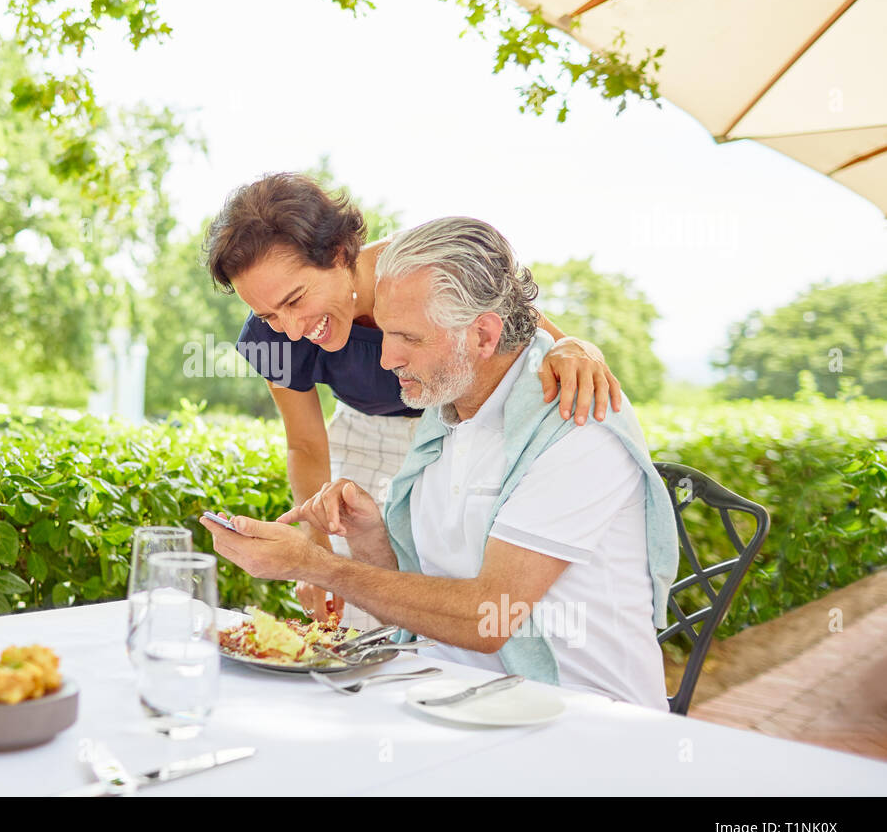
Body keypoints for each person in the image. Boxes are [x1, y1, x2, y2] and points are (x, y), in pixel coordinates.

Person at [202, 216, 678, 708]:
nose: (385, 360)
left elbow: (485, 617)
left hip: (580, 721)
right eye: (384, 334)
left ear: (482, 337)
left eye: (408, 338)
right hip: (465, 704)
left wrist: (314, 564)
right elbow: (423, 590)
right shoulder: (443, 422)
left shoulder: (572, 427)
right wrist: (368, 537)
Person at [205, 173, 623, 628]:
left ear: (340, 254)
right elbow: (305, 445)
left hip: (457, 431)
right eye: (267, 315)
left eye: (295, 299)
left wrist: (574, 346)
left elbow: (518, 323)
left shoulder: (417, 269)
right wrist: (317, 547)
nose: (288, 328)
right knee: (363, 617)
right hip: (364, 435)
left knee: (454, 602)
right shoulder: (277, 339)